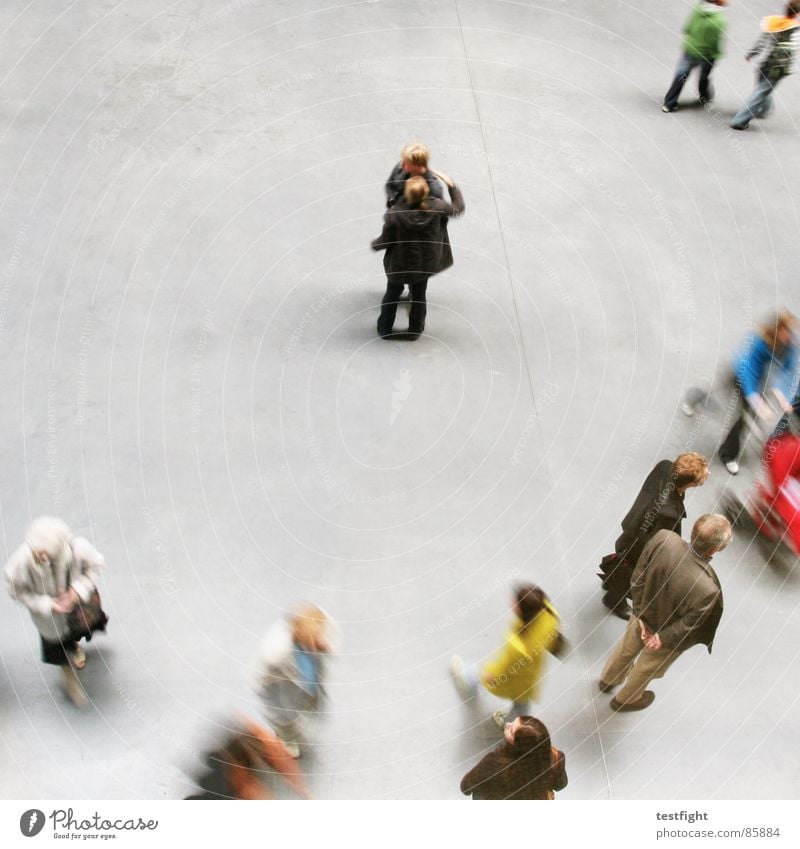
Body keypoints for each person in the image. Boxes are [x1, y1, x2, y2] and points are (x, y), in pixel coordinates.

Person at [599, 514, 730, 712]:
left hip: (641, 612)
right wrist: (662, 638)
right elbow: (689, 624)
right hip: (664, 636)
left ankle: (608, 680)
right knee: (646, 667)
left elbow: (638, 577)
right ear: (715, 549)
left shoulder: (664, 538)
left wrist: (640, 615)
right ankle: (626, 700)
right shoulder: (708, 589)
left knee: (626, 648)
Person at [4, 517, 109, 706]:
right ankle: (68, 678)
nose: (41, 558)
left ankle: (74, 647)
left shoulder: (77, 549)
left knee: (73, 633)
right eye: (37, 553)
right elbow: (16, 590)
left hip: (75, 610)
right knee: (56, 647)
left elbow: (97, 565)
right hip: (49, 619)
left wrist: (76, 591)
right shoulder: (20, 563)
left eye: (46, 554)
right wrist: (46, 604)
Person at [598, 453, 710, 619]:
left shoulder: (665, 466)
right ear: (691, 484)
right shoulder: (669, 513)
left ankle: (610, 581)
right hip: (641, 544)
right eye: (703, 475)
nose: (708, 473)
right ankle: (613, 599)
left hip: (634, 523)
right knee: (630, 572)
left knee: (623, 560)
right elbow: (657, 541)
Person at [451, 584, 561, 729]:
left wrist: (490, 675)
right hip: (530, 679)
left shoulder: (519, 645)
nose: (511, 602)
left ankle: (468, 676)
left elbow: (503, 667)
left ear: (521, 610)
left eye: (515, 602)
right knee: (522, 703)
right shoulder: (548, 615)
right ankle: (511, 724)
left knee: (481, 675)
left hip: (512, 678)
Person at [371, 173, 464, 339]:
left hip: (399, 265)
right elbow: (458, 208)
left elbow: (384, 241)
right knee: (419, 295)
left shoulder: (395, 214)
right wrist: (452, 186)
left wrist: (375, 245)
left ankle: (385, 328)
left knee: (391, 294)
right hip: (425, 263)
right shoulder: (438, 206)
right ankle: (415, 329)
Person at [710, 310, 797, 475]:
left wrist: (783, 398)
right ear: (779, 329)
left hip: (758, 378)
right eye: (787, 332)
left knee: (747, 413)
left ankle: (735, 442)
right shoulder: (760, 342)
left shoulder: (789, 346)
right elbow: (748, 373)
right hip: (740, 373)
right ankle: (727, 454)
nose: (791, 336)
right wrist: (756, 401)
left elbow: (786, 372)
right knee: (744, 413)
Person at [255, 604, 333, 758]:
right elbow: (267, 685)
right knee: (286, 723)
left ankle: (292, 724)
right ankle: (286, 739)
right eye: (314, 635)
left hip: (304, 689)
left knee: (304, 709)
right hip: (283, 699)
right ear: (301, 633)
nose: (319, 638)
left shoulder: (310, 644)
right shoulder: (279, 655)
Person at [460, 715, 568, 800]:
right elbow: (560, 785)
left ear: (518, 746)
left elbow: (466, 788)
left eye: (511, 730)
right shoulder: (556, 758)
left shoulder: (493, 762)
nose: (507, 724)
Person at [731, 2, 800, 130]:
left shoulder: (774, 22)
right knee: (761, 91)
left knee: (763, 84)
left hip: (767, 62)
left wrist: (752, 54)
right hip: (779, 67)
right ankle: (740, 121)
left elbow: (762, 41)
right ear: (797, 13)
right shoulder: (795, 30)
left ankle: (764, 110)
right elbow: (793, 49)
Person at [662, 1, 728, 113]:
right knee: (704, 77)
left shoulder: (699, 8)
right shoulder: (719, 21)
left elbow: (688, 27)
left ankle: (669, 103)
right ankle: (705, 97)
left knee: (681, 76)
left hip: (690, 49)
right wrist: (716, 54)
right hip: (706, 55)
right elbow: (714, 42)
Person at [384, 142, 447, 209]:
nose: (401, 164)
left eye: (406, 162)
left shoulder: (434, 189)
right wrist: (392, 200)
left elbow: (442, 215)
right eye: (403, 160)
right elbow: (389, 185)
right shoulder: (399, 168)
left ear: (418, 165)